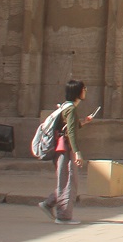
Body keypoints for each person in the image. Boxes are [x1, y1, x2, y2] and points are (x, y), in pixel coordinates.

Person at [38, 79, 96, 225]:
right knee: (69, 181)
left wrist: (83, 122)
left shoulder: (66, 107)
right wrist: (77, 152)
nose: (86, 91)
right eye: (84, 89)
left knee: (66, 180)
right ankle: (63, 216)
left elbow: (71, 127)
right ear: (78, 91)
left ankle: (49, 203)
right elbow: (70, 132)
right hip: (65, 149)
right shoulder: (70, 109)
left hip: (62, 148)